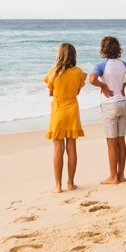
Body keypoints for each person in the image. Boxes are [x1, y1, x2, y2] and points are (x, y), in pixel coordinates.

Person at [89, 36, 126, 184]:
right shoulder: (123, 64)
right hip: (123, 104)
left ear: (103, 49)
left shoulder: (101, 65)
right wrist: (124, 85)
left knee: (111, 143)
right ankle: (121, 175)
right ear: (118, 48)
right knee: (121, 141)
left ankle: (113, 177)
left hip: (109, 105)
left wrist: (103, 86)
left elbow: (92, 79)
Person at [44, 43, 87, 193]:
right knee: (72, 148)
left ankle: (57, 185)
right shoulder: (78, 73)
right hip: (72, 111)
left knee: (58, 149)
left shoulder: (53, 72)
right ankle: (70, 183)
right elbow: (77, 91)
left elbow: (50, 92)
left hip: (58, 111)